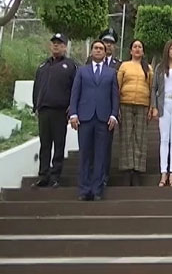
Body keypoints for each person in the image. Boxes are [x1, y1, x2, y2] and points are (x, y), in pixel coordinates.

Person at [69, 40, 119, 201]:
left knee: (100, 154)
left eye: (101, 49)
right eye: (96, 48)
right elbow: (75, 93)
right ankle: (84, 189)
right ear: (91, 52)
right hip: (84, 118)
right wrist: (73, 114)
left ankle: (97, 189)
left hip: (103, 119)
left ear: (105, 53)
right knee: (85, 154)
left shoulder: (111, 73)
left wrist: (113, 115)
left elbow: (115, 96)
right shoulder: (82, 71)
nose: (98, 51)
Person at [31, 33, 77, 188]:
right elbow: (37, 87)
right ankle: (43, 175)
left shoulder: (71, 65)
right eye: (54, 43)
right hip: (44, 110)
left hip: (60, 111)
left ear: (65, 46)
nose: (56, 45)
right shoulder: (43, 66)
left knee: (58, 144)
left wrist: (72, 106)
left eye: (59, 43)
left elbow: (75, 88)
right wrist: (35, 105)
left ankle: (55, 175)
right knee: (44, 144)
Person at [87, 28, 122, 186]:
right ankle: (90, 175)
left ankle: (103, 176)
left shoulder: (119, 65)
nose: (108, 46)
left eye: (111, 43)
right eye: (105, 42)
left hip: (108, 111)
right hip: (90, 110)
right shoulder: (89, 63)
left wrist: (116, 111)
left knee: (106, 145)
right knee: (90, 146)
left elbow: (118, 90)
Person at [117, 40, 153, 186]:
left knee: (140, 138)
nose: (137, 49)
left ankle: (137, 170)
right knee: (126, 137)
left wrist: (151, 108)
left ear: (143, 52)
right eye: (135, 47)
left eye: (140, 47)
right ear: (130, 51)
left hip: (142, 106)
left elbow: (151, 89)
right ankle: (127, 171)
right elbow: (117, 86)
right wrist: (116, 107)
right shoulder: (124, 66)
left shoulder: (148, 69)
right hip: (125, 104)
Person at [151, 41, 172, 187]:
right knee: (164, 139)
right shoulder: (160, 68)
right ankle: (163, 173)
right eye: (171, 49)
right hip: (164, 104)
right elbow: (154, 88)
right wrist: (154, 106)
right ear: (167, 50)